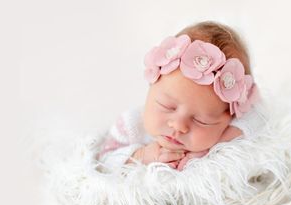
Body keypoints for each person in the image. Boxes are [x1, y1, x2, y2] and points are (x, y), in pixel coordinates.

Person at [99, 21, 267, 171]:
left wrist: (220, 141)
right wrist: (141, 156)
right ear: (152, 85)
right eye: (167, 107)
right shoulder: (132, 124)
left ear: (229, 118)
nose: (179, 126)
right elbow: (104, 160)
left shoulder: (226, 130)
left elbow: (259, 117)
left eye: (201, 121)